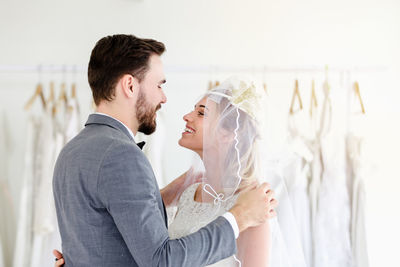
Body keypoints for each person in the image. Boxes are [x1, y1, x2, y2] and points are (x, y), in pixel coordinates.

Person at [52, 34, 277, 267]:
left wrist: (163, 195)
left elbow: (101, 231)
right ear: (130, 85)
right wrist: (239, 217)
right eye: (159, 85)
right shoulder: (121, 155)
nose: (164, 97)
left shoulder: (71, 151)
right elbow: (160, 260)